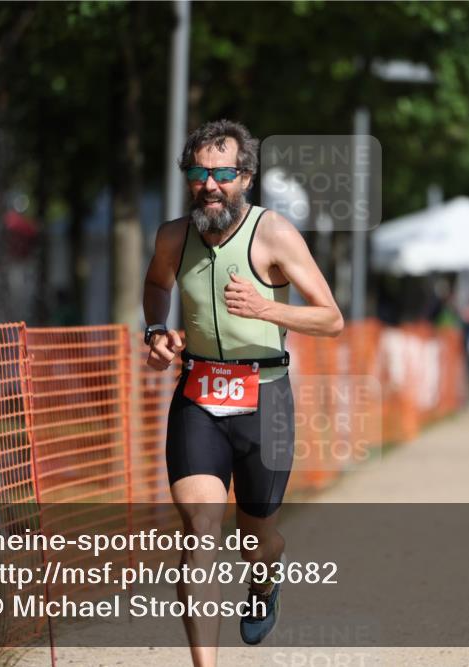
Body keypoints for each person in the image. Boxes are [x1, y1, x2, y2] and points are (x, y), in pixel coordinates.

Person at [142, 120, 343, 665]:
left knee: (258, 540)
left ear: (246, 178)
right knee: (200, 530)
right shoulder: (171, 237)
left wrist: (266, 308)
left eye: (223, 173)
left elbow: (331, 319)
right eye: (199, 173)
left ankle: (264, 584)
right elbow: (157, 284)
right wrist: (156, 331)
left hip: (267, 400)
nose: (210, 185)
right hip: (198, 397)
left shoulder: (273, 234)